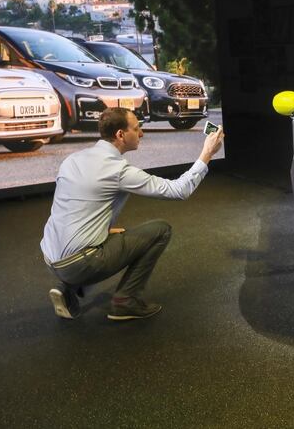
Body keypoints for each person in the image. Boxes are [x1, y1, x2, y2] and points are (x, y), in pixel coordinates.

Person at [40, 107, 224, 321]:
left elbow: (74, 206)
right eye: (137, 129)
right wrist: (207, 154)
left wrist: (104, 230)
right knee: (160, 230)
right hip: (77, 263)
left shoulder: (73, 159)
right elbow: (179, 190)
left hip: (50, 257)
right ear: (120, 134)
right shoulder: (118, 170)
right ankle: (125, 301)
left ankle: (66, 287)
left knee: (115, 235)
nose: (142, 133)